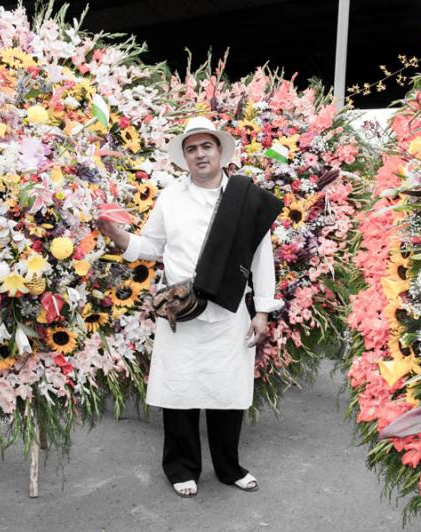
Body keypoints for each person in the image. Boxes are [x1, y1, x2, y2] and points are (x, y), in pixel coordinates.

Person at [97, 116, 283, 498]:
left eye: (206, 147)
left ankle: (229, 468)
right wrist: (119, 238)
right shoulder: (170, 197)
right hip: (179, 311)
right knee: (179, 393)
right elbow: (152, 246)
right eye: (192, 149)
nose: (200, 154)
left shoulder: (246, 199)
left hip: (230, 313)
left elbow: (263, 258)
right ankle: (181, 467)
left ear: (220, 152)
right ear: (184, 157)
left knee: (227, 393)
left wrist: (262, 311)